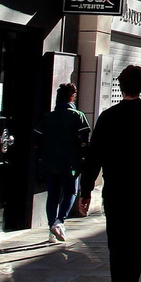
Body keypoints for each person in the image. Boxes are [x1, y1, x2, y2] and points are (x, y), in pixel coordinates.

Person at [79, 66, 141, 282]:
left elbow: (94, 155)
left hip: (114, 188)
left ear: (120, 86)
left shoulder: (107, 117)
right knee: (138, 241)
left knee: (116, 239)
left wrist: (85, 190)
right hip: (140, 187)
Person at [39, 83, 91, 242]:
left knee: (52, 195)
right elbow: (84, 142)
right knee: (70, 192)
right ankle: (60, 221)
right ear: (72, 96)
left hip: (50, 162)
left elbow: (38, 140)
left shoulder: (48, 117)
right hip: (70, 163)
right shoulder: (78, 116)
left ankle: (51, 228)